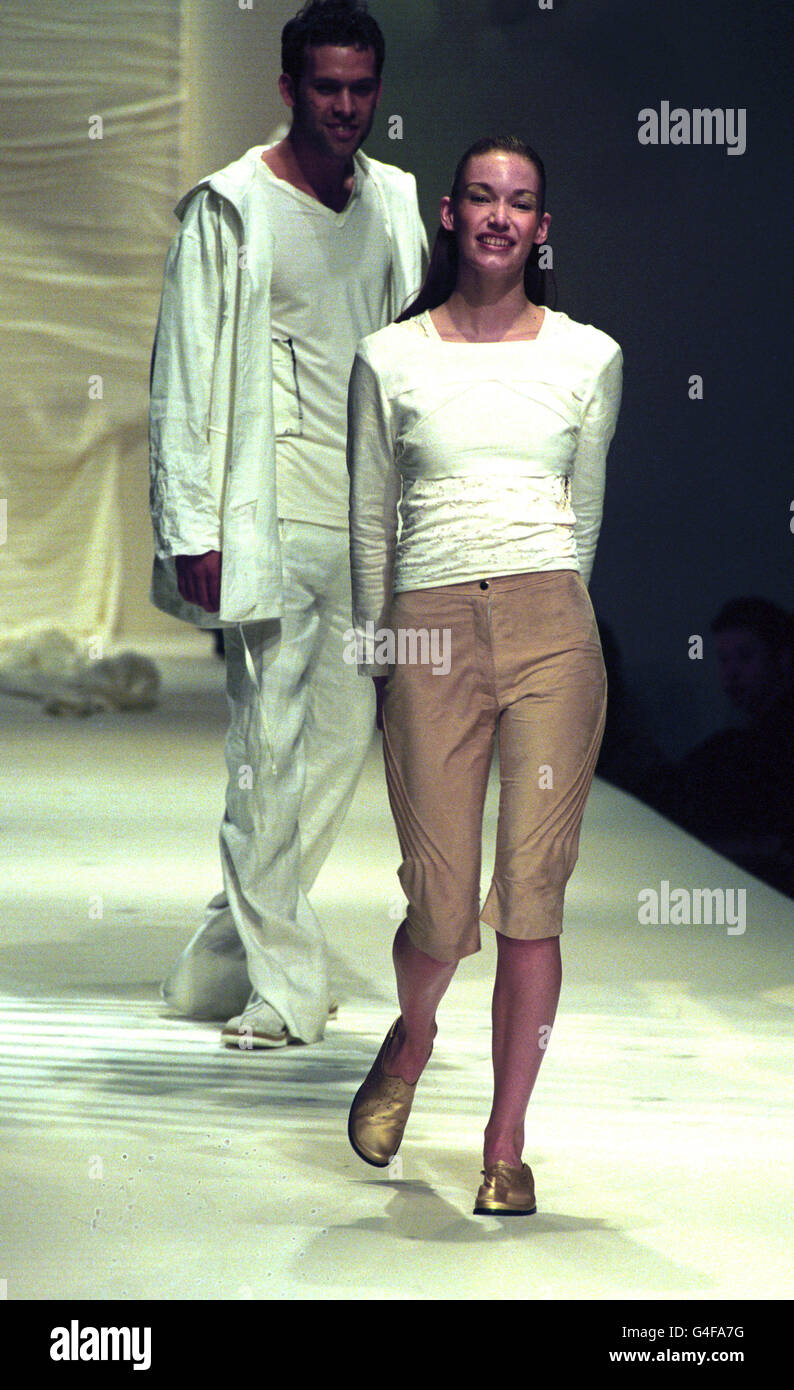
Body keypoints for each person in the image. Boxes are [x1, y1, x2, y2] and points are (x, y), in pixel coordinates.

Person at [345, 135, 623, 1213]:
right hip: (427, 629)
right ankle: (413, 1038)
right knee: (440, 898)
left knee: (533, 892)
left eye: (520, 201)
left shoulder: (588, 356)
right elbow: (370, 523)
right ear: (450, 215)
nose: (500, 216)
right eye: (480, 196)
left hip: (552, 627)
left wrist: (549, 613)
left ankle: (504, 1143)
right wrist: (381, 654)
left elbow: (582, 516)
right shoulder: (389, 358)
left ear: (541, 227)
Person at [148, 0, 426, 1048]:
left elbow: (415, 357)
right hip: (264, 512)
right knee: (265, 746)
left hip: (368, 523)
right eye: (326, 87)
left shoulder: (395, 203)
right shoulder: (230, 208)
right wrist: (191, 526)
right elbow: (183, 373)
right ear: (288, 88)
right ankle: (284, 984)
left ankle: (227, 955)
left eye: (360, 88)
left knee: (342, 745)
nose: (345, 106)